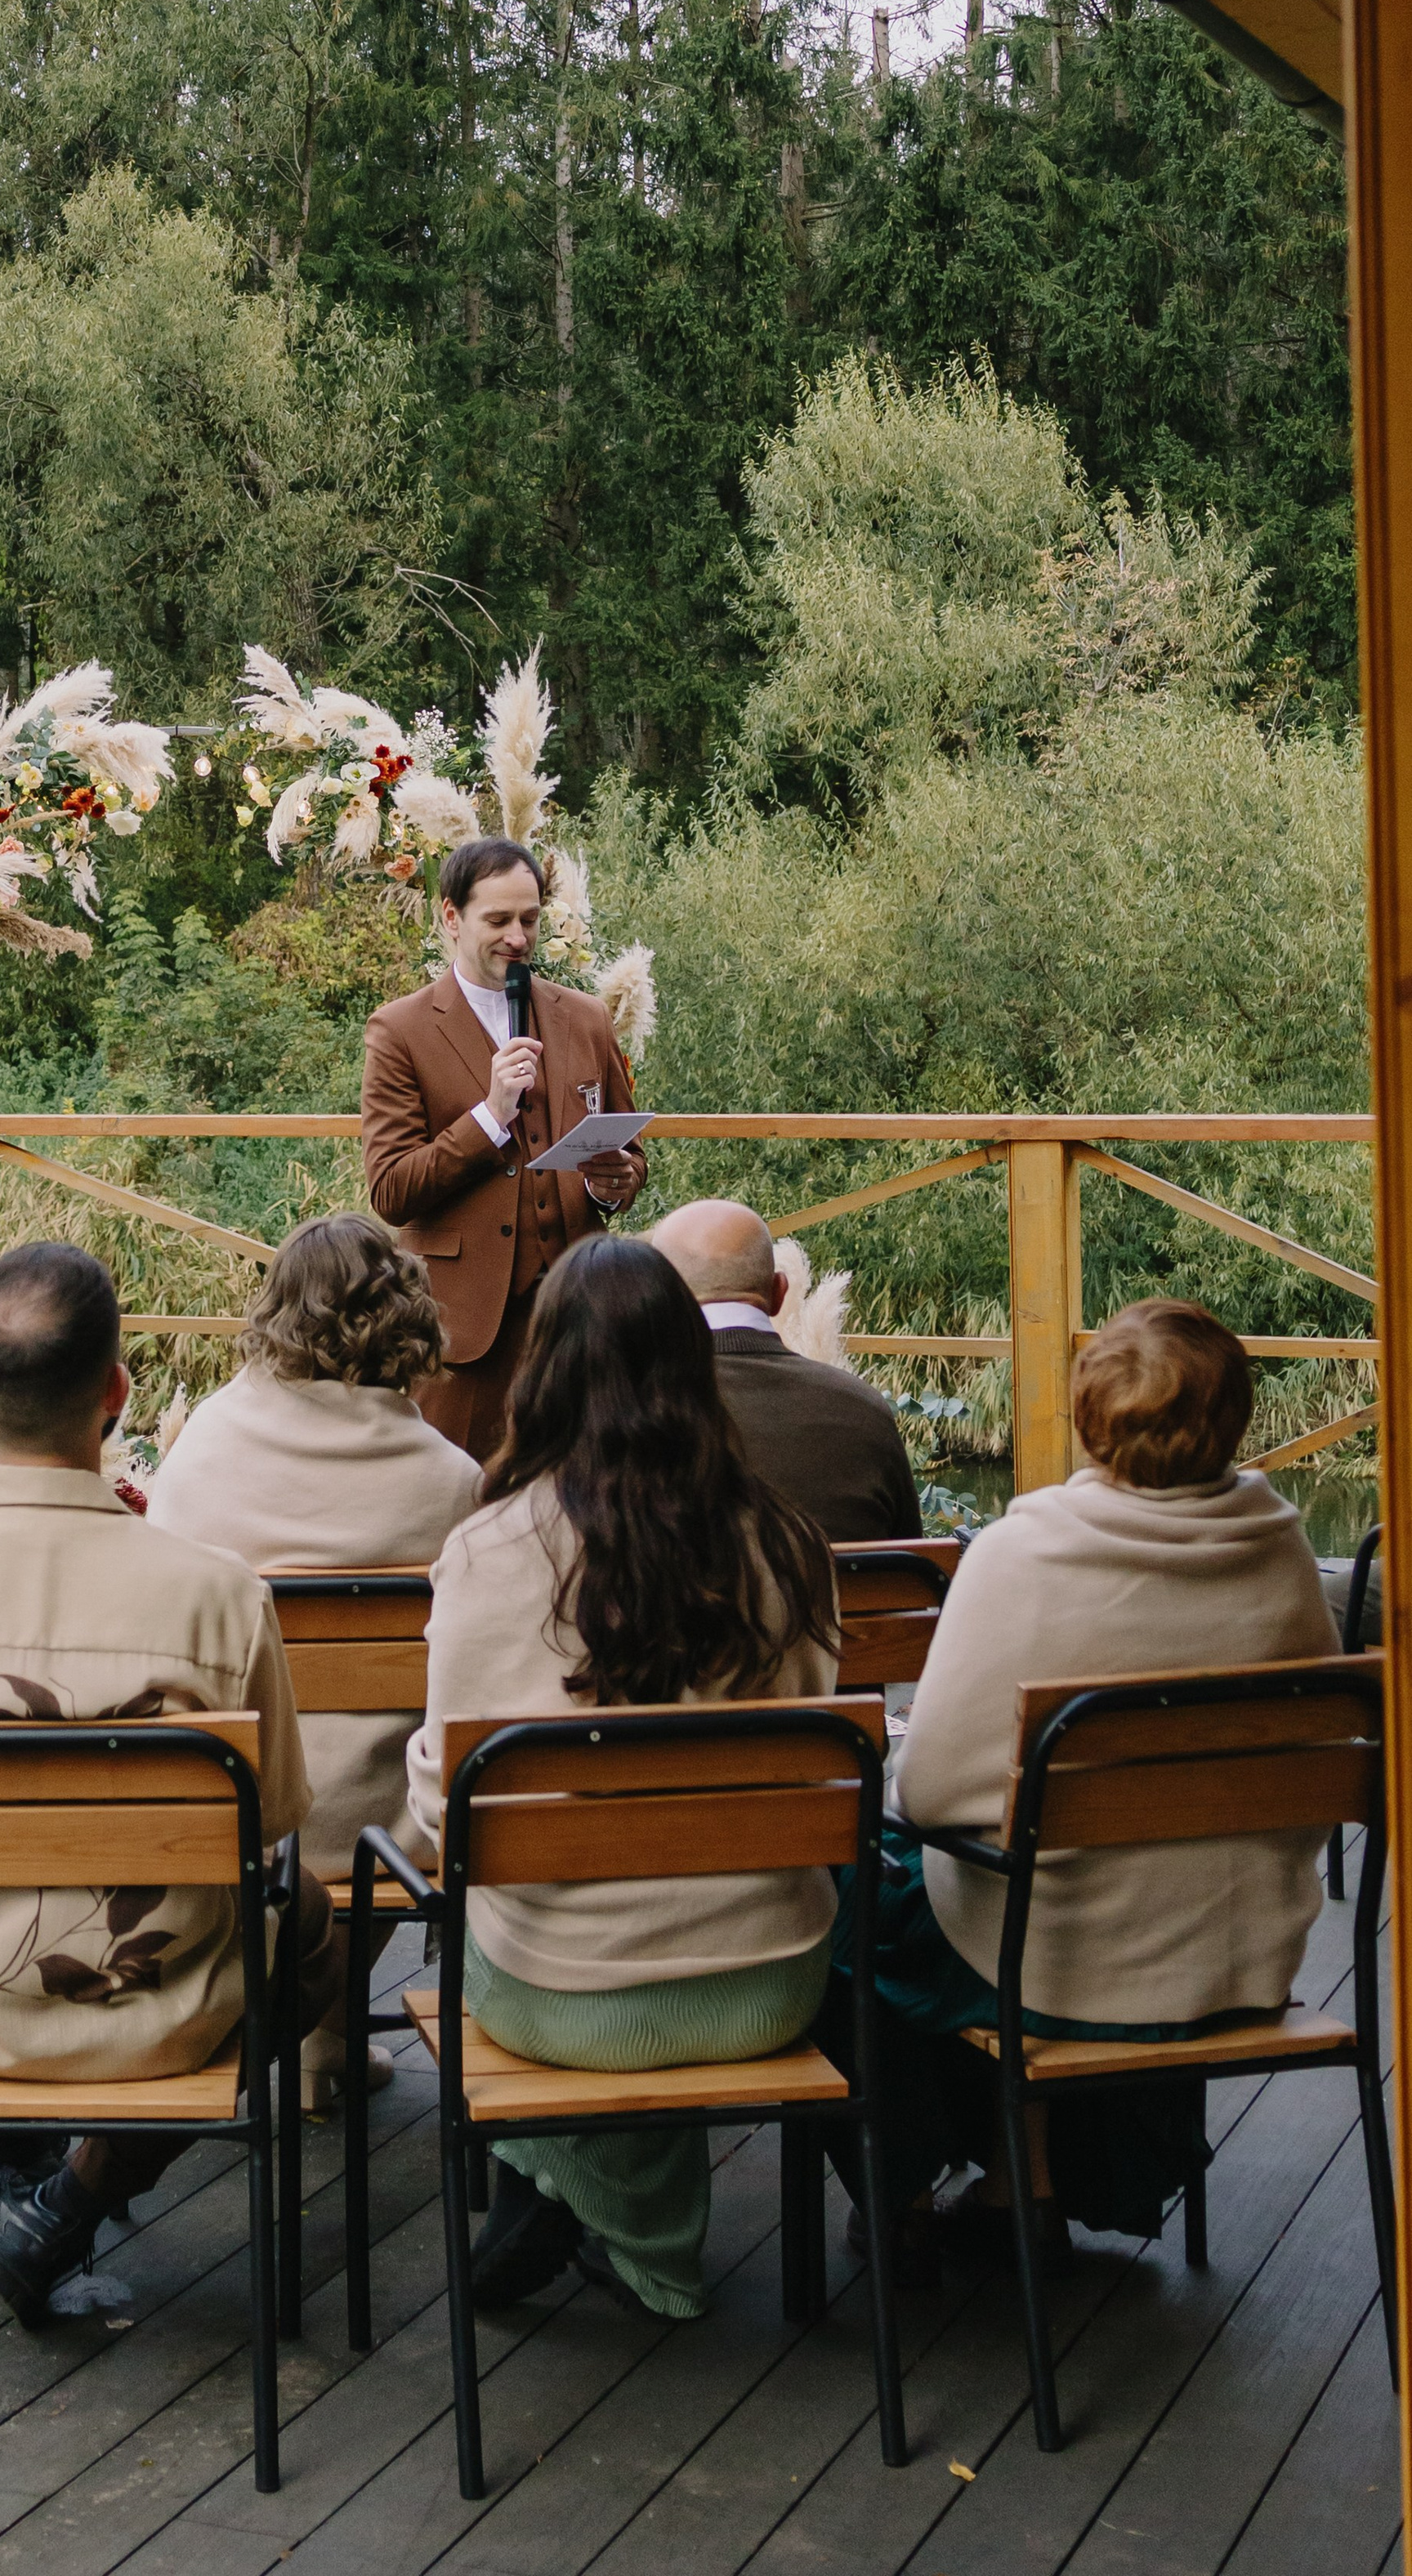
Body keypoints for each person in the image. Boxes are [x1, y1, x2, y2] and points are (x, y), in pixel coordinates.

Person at [0, 1241, 344, 2327]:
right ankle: (70, 2200)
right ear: (116, 1392)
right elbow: (272, 1824)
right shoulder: (221, 1597)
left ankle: (5, 2138)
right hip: (155, 2017)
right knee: (309, 1920)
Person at [834, 1299, 1338, 2278]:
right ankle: (1018, 2185)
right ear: (1237, 1417)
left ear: (1088, 1418)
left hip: (1058, 1963)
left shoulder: (1020, 1553)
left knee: (862, 1902)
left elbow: (927, 1794)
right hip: (1235, 1952)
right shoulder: (1281, 1549)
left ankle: (920, 2187)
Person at [405, 1235, 839, 2319]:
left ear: (543, 1368)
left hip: (564, 1993)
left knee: (502, 1928)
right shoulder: (788, 1544)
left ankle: (608, 2218)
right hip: (769, 1979)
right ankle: (600, 2218)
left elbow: (442, 1807)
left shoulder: (489, 1551)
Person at [147, 1212, 483, 2105]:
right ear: (403, 1312)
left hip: (234, 1810)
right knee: (396, 1768)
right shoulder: (452, 1480)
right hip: (382, 1833)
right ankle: (325, 2037)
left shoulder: (201, 1450)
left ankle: (295, 2032)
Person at [361, 835, 646, 1461]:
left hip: (579, 1320)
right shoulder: (400, 1030)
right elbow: (391, 1190)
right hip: (461, 1332)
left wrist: (613, 1182)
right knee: (459, 1499)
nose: (518, 937)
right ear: (451, 916)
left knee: (585, 1493)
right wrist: (490, 1117)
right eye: (498, 920)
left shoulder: (587, 1018)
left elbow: (629, 1152)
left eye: (529, 919)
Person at [649, 1197, 925, 1545]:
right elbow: (910, 1555)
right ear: (780, 1291)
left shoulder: (628, 1408)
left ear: (660, 1300)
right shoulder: (864, 1407)